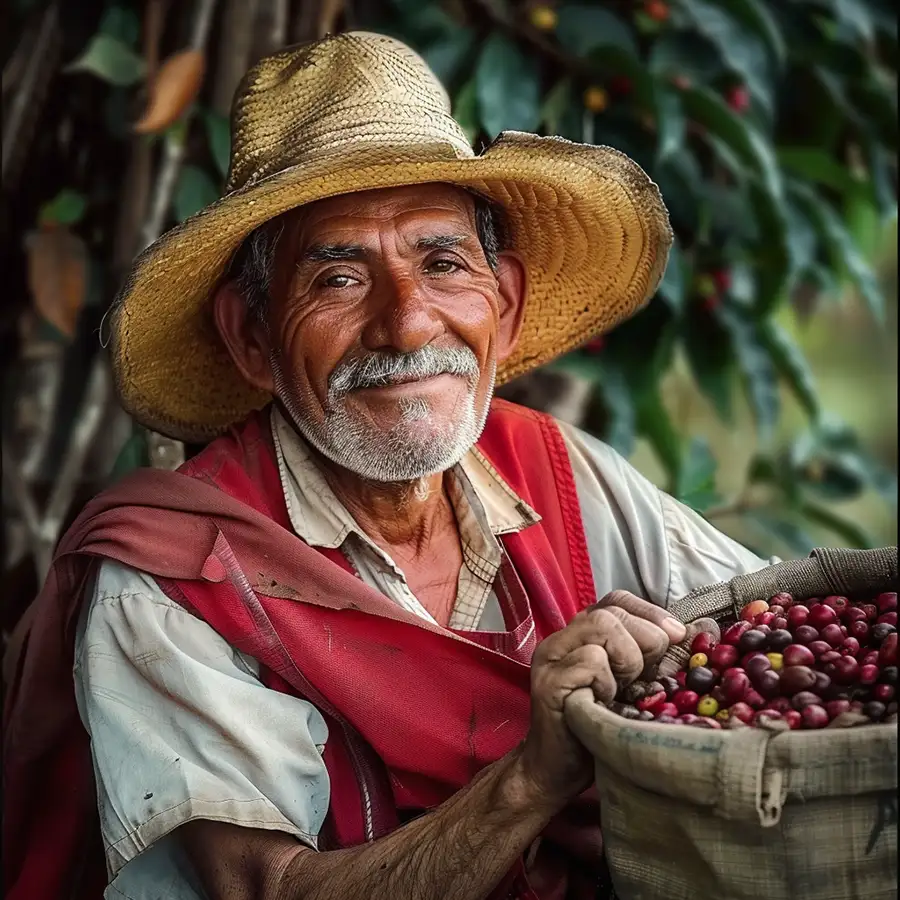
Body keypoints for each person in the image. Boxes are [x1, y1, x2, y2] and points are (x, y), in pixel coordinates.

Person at [3, 32, 774, 900]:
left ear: (506, 304)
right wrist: (529, 778)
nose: (406, 326)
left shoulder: (566, 476)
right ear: (251, 336)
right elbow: (269, 893)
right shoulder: (174, 580)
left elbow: (783, 630)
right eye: (337, 279)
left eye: (442, 264)